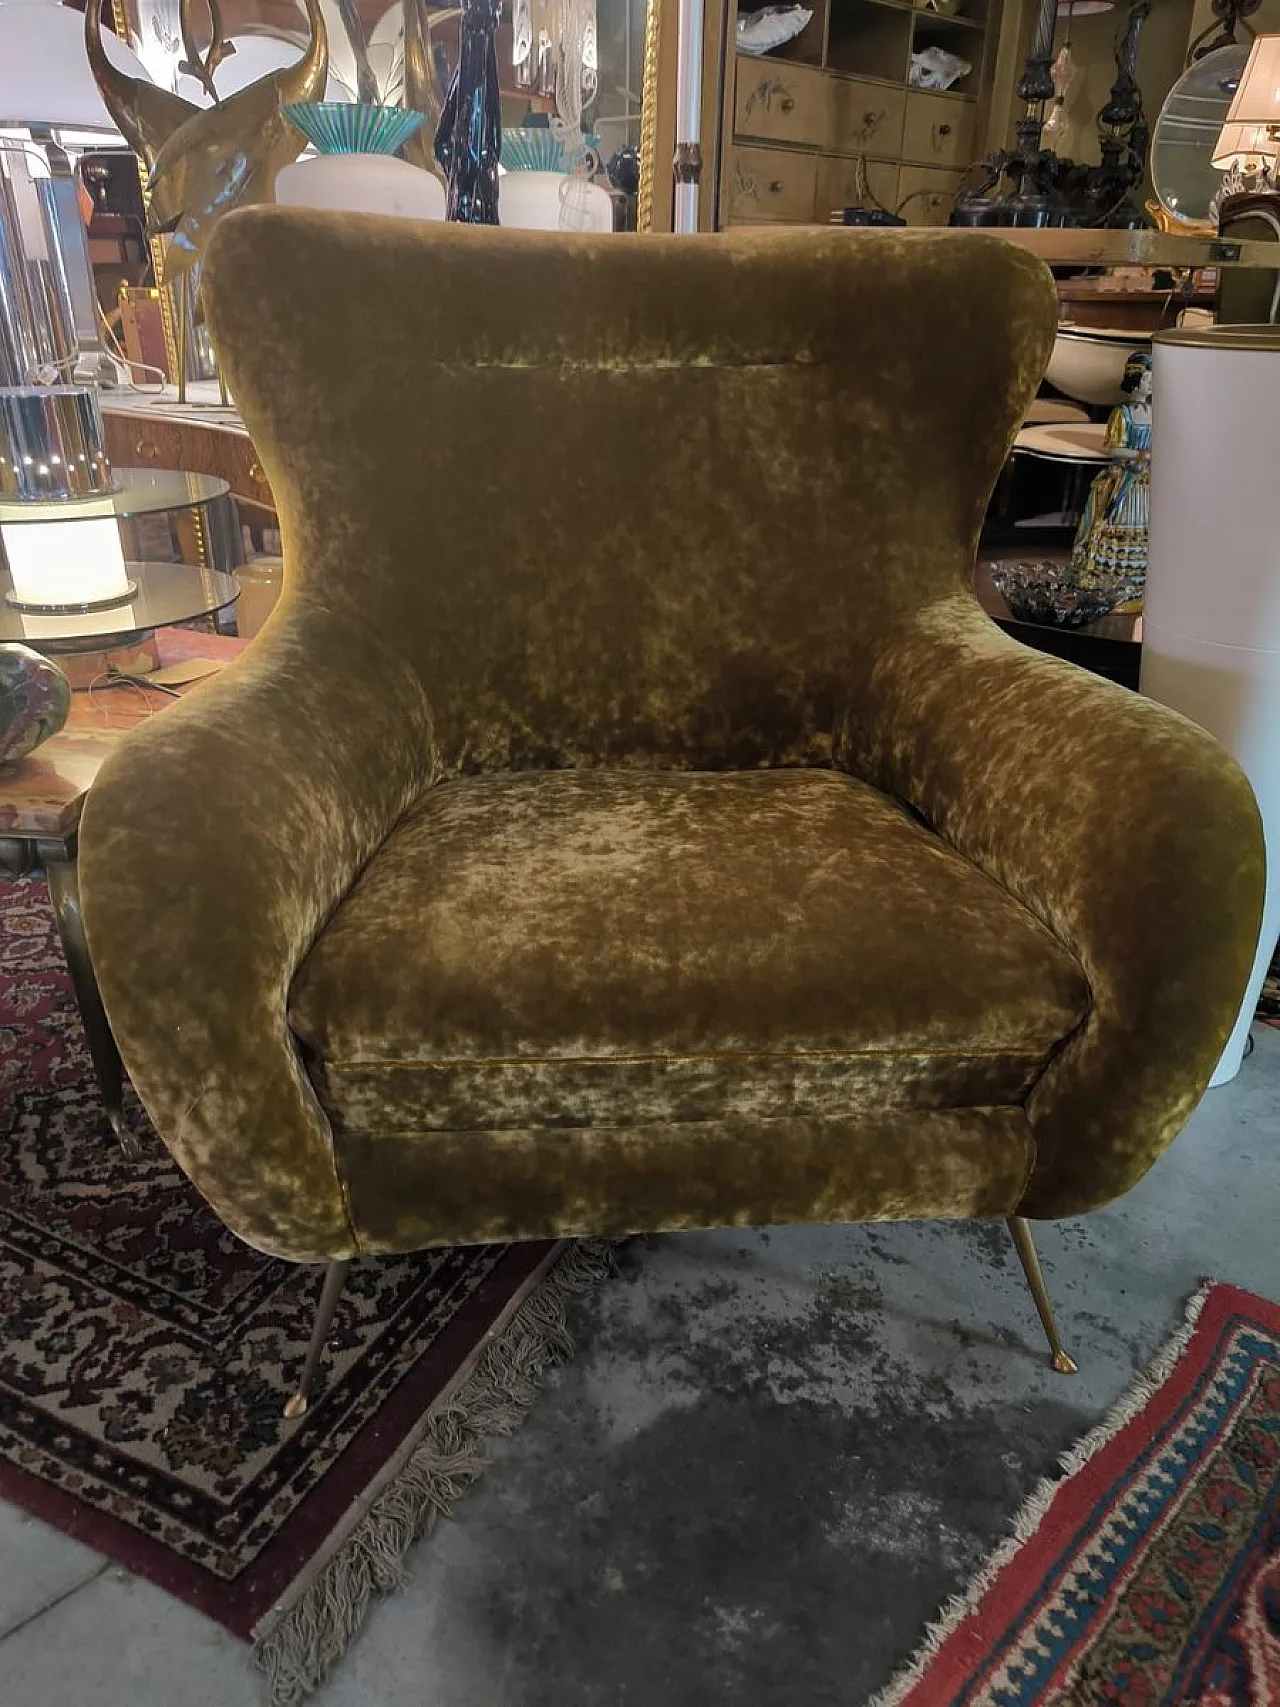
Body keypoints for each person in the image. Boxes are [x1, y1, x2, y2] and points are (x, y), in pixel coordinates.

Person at [1070, 349, 1152, 604]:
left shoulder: (1154, 412)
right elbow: (1114, 448)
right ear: (1135, 381)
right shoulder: (1122, 413)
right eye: (1148, 379)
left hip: (1148, 482)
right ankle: (1111, 588)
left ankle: (1141, 589)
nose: (1152, 385)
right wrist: (1142, 455)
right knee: (1116, 527)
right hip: (1126, 481)